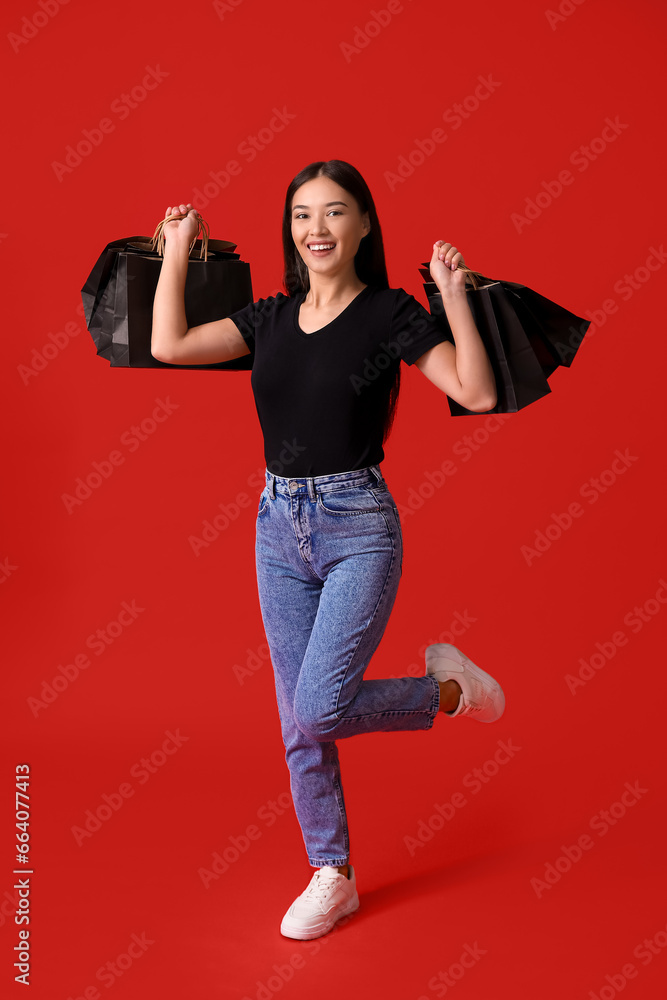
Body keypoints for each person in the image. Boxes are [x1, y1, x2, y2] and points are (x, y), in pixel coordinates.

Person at [151, 159, 505, 941]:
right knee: (297, 720)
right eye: (303, 214)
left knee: (319, 707)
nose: (317, 228)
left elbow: (474, 393)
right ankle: (331, 873)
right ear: (290, 229)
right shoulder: (267, 318)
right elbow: (169, 344)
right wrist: (178, 244)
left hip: (357, 525)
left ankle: (446, 692)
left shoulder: (389, 314)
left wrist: (452, 298)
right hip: (276, 525)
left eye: (335, 212)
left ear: (364, 225)